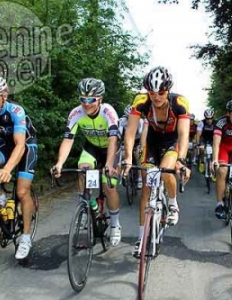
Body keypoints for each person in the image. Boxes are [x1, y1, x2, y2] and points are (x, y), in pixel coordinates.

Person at [122, 66, 191, 255]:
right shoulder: (141, 101)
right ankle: (141, 238)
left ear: (168, 90)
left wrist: (182, 160)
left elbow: (184, 134)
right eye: (152, 93)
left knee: (166, 170)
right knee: (146, 183)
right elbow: (130, 131)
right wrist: (128, 157)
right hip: (152, 141)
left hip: (171, 141)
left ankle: (173, 202)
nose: (156, 97)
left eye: (161, 92)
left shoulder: (179, 102)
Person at [52, 77, 122, 246]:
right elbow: (68, 140)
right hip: (91, 148)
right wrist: (59, 163)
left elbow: (113, 140)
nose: (86, 103)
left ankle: (115, 225)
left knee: (108, 185)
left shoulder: (108, 112)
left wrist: (109, 164)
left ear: (100, 99)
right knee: (83, 170)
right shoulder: (76, 113)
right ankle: (87, 207)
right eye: (83, 99)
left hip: (111, 149)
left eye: (91, 99)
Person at [0, 77, 38, 259]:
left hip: (25, 145)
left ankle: (25, 238)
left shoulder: (15, 111)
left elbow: (20, 145)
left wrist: (7, 169)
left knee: (22, 192)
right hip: (3, 147)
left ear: (4, 96)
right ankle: (2, 200)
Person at [118, 104, 145, 189]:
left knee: (138, 156)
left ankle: (140, 178)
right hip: (125, 140)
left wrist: (140, 146)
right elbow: (119, 134)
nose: (130, 120)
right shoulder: (122, 121)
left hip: (137, 140)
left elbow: (141, 135)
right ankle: (120, 174)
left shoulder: (140, 121)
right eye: (128, 118)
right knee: (121, 154)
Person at [196, 108, 215, 173]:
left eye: (211, 118)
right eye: (207, 118)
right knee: (201, 149)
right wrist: (197, 143)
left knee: (215, 150)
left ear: (213, 117)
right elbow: (198, 134)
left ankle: (213, 165)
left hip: (212, 139)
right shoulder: (201, 123)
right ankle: (202, 162)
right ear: (205, 118)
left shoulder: (216, 123)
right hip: (204, 139)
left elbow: (218, 135)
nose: (209, 120)